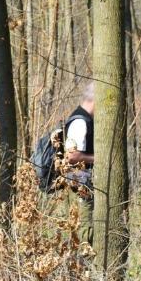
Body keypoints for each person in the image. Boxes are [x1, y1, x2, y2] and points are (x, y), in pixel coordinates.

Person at [63, 83, 95, 244]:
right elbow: (72, 156)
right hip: (79, 184)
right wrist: (97, 159)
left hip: (82, 182)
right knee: (85, 228)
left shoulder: (87, 120)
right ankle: (85, 267)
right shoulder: (80, 122)